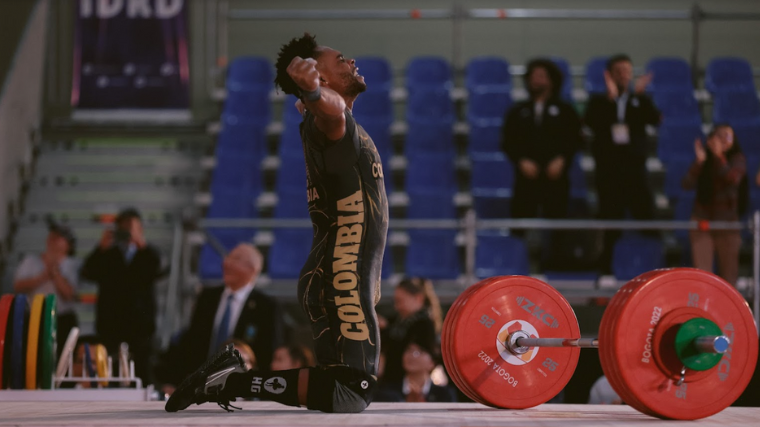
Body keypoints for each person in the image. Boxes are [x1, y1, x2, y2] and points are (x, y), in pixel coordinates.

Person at [166, 32, 388, 414]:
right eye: (342, 59)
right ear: (320, 76)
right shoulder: (328, 122)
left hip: (343, 274)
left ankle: (227, 380)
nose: (352, 62)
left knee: (344, 384)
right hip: (341, 274)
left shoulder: (328, 122)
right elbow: (329, 110)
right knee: (353, 389)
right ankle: (229, 382)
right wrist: (315, 95)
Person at [155, 244, 284, 395]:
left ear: (252, 270)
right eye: (228, 257)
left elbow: (268, 352)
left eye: (235, 259)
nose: (226, 263)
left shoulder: (266, 307)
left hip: (241, 391)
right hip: (200, 388)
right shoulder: (207, 298)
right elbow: (192, 343)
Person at [584, 54, 661, 272]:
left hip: (635, 172)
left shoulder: (640, 100)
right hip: (608, 173)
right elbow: (590, 122)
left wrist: (638, 97)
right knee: (610, 222)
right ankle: (605, 270)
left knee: (646, 219)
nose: (623, 75)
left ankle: (656, 269)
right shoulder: (599, 102)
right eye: (618, 71)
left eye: (627, 71)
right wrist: (611, 99)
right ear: (609, 75)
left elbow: (654, 119)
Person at [80, 207, 162, 385]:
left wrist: (143, 246)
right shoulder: (108, 254)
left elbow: (159, 270)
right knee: (110, 374)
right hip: (111, 325)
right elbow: (87, 272)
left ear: (141, 230)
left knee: (143, 374)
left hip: (141, 327)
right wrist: (101, 248)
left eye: (132, 228)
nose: (127, 233)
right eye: (123, 228)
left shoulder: (147, 254)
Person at [502, 58, 583, 221]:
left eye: (541, 76)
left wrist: (562, 159)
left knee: (557, 225)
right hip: (526, 178)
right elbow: (508, 141)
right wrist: (521, 160)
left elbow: (575, 139)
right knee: (520, 221)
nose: (535, 80)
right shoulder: (518, 111)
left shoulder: (566, 111)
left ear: (551, 81)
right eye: (533, 76)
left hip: (556, 177)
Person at [682, 125, 747, 286]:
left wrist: (719, 157)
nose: (724, 140)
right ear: (711, 140)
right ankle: (703, 311)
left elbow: (732, 179)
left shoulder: (737, 159)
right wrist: (699, 163)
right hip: (702, 223)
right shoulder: (705, 160)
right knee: (702, 276)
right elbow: (686, 184)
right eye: (720, 135)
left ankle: (728, 311)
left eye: (728, 136)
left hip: (728, 224)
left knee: (729, 278)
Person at [14, 220, 79, 357]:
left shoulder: (72, 265)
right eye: (52, 236)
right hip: (36, 316)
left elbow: (69, 293)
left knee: (63, 357)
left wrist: (55, 272)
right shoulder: (31, 261)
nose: (53, 239)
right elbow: (18, 286)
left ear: (68, 243)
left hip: (62, 318)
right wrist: (42, 277)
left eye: (59, 237)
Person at [380, 277, 442, 384]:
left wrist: (386, 329)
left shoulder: (424, 324)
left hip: (408, 384)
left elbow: (401, 348)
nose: (396, 306)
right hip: (392, 381)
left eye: (400, 301)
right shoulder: (399, 321)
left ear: (418, 298)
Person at [375, 334, 457, 403]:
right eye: (409, 350)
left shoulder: (445, 394)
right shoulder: (387, 391)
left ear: (432, 362)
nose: (412, 356)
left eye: (419, 352)